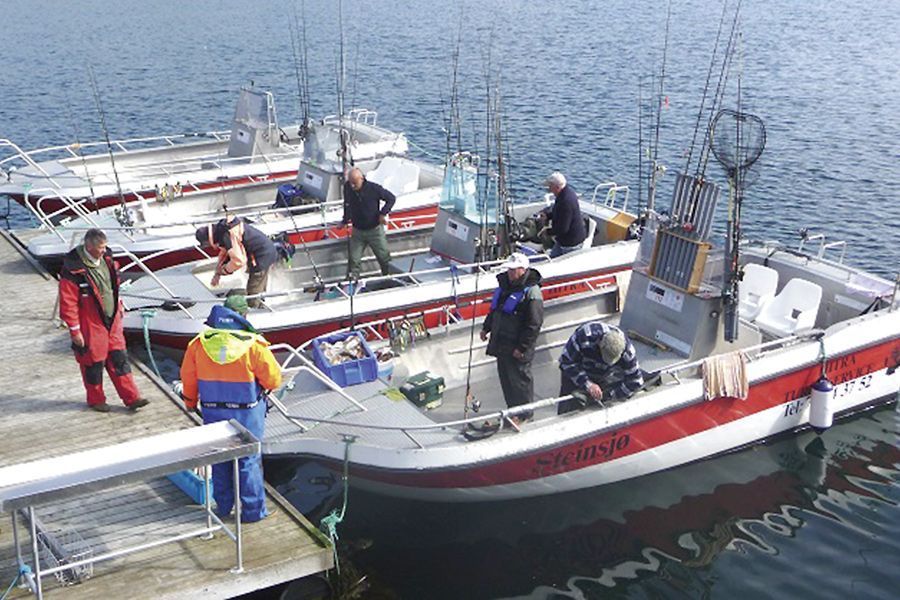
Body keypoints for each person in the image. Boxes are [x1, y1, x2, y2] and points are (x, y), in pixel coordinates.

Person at [179, 294, 282, 522]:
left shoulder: (199, 344)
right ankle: (253, 512)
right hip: (246, 412)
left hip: (213, 411)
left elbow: (188, 377)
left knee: (220, 458)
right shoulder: (253, 345)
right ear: (243, 315)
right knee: (248, 461)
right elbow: (274, 380)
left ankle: (223, 508)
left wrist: (189, 402)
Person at [59, 228, 149, 413]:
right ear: (89, 247)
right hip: (90, 322)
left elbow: (112, 285)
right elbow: (68, 302)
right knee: (92, 363)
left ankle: (132, 398)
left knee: (119, 359)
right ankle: (96, 400)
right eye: (100, 247)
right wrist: (75, 331)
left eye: (104, 247)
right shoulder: (72, 270)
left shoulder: (107, 260)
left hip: (112, 318)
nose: (103, 250)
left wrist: (119, 303)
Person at [480, 252, 544, 423]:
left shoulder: (532, 292)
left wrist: (522, 347)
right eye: (508, 269)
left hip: (518, 347)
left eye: (513, 270)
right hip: (502, 343)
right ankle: (513, 411)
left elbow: (534, 324)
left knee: (520, 381)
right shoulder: (504, 287)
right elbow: (495, 310)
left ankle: (524, 414)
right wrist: (486, 328)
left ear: (522, 270)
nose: (510, 273)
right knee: (506, 379)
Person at [557, 323, 644, 414]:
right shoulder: (583, 337)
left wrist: (609, 395)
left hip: (604, 376)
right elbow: (566, 362)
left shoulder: (627, 351)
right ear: (600, 345)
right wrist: (588, 384)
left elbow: (636, 381)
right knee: (567, 409)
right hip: (577, 371)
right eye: (606, 357)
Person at [195, 216, 278, 308]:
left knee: (253, 290)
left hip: (261, 256)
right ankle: (260, 303)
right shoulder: (223, 230)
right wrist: (217, 272)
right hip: (265, 251)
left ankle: (254, 310)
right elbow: (226, 253)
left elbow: (238, 261)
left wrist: (225, 270)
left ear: (208, 239)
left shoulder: (227, 236)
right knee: (259, 285)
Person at [341, 167, 396, 279]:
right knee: (353, 260)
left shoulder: (373, 189)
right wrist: (345, 220)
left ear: (361, 179)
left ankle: (389, 278)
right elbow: (347, 204)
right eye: (351, 183)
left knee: (384, 257)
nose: (352, 186)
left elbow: (391, 198)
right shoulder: (347, 188)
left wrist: (383, 213)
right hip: (358, 231)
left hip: (374, 230)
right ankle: (352, 281)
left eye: (355, 183)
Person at [542, 172, 587, 258]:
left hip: (571, 243)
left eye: (550, 186)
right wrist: (548, 216)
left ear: (557, 187)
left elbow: (563, 228)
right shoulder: (565, 194)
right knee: (553, 258)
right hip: (563, 240)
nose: (549, 189)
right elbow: (560, 213)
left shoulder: (566, 201)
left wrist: (547, 232)